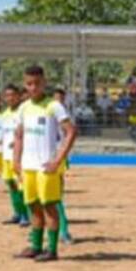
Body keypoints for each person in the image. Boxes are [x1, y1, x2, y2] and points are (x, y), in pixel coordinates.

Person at [13, 68, 77, 262]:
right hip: (28, 167)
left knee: (49, 206)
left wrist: (57, 160)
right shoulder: (24, 107)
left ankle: (52, 250)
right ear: (25, 84)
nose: (33, 87)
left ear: (44, 83)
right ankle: (36, 246)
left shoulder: (54, 106)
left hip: (46, 168)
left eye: (37, 83)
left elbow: (71, 132)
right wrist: (16, 161)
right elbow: (19, 135)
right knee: (33, 206)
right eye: (29, 84)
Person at [0, 85, 30, 226]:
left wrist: (18, 143)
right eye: (7, 95)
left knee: (21, 186)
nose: (10, 98)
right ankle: (17, 213)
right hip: (6, 156)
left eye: (13, 95)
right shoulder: (5, 113)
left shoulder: (23, 111)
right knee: (11, 185)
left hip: (19, 156)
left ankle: (25, 215)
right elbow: (5, 134)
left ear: (18, 96)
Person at [51, 86, 75, 244]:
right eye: (56, 98)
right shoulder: (47, 111)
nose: (58, 100)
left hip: (56, 157)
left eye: (61, 98)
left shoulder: (64, 115)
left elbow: (69, 133)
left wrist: (63, 154)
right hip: (39, 158)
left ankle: (64, 231)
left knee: (56, 195)